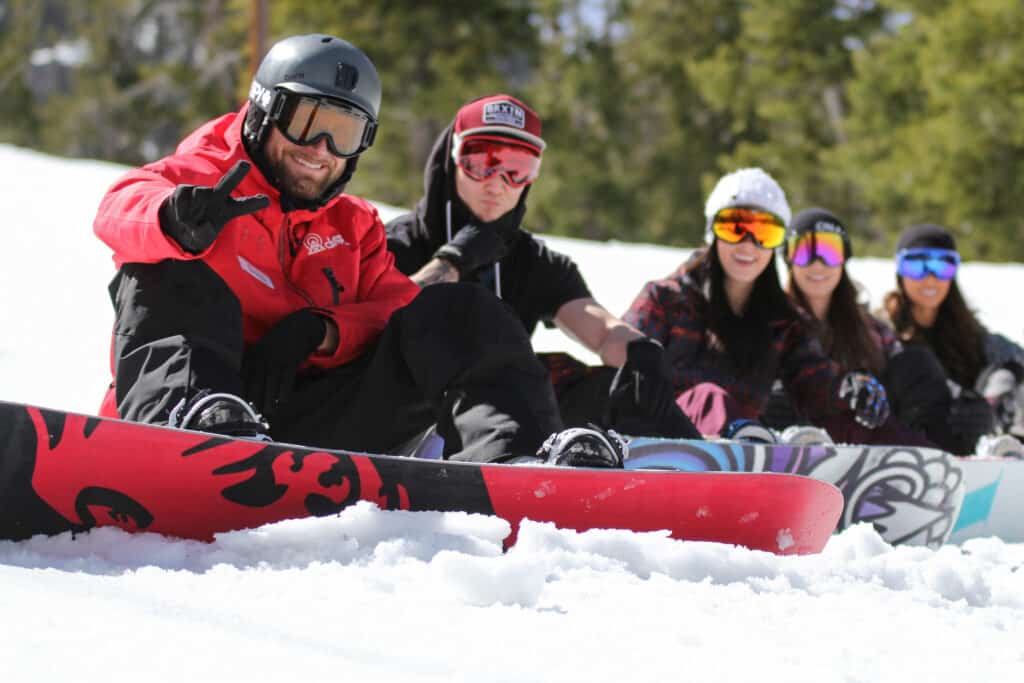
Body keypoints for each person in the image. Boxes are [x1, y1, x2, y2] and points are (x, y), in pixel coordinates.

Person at [92, 34, 625, 467]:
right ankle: (189, 431)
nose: (320, 151)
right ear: (262, 111)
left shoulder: (355, 225)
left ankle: (516, 461)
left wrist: (323, 330)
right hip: (197, 412)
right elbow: (120, 208)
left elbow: (399, 311)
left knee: (455, 310)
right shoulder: (207, 181)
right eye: (307, 122)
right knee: (165, 270)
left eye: (344, 133)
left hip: (311, 424)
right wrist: (173, 219)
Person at [385, 93, 699, 440]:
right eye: (482, 161)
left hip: (502, 416)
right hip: (408, 410)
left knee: (622, 390)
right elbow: (376, 324)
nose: (497, 182)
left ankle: (700, 468)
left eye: (517, 169)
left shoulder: (532, 260)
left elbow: (602, 329)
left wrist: (640, 352)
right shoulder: (395, 243)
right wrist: (453, 260)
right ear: (452, 158)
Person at [621, 168, 921, 444]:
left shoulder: (782, 322)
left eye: (765, 232)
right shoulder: (665, 300)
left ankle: (922, 463)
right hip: (657, 444)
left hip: (741, 449)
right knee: (707, 397)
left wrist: (850, 389)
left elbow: (816, 384)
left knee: (849, 420)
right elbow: (623, 374)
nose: (748, 244)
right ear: (713, 232)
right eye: (734, 227)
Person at [769, 208, 959, 451]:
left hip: (863, 439)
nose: (818, 264)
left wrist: (961, 398)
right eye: (806, 252)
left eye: (829, 251)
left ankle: (940, 456)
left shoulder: (868, 328)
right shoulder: (775, 321)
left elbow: (903, 362)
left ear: (844, 259)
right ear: (789, 259)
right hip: (794, 439)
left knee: (917, 362)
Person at [879, 223, 1024, 455]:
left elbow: (1012, 358)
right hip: (905, 446)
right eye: (916, 266)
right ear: (899, 271)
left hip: (968, 451)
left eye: (942, 266)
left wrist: (990, 403)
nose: (930, 278)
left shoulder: (969, 334)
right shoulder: (881, 331)